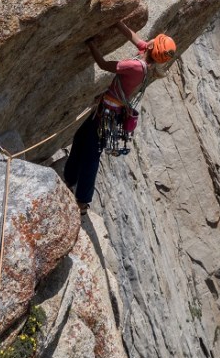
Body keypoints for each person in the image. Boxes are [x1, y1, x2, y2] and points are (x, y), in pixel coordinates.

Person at [64, 20, 176, 215]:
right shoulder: (148, 62)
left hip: (105, 114)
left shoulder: (136, 66)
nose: (148, 40)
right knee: (80, 139)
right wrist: (116, 21)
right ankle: (70, 179)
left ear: (152, 46)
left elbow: (104, 65)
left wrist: (90, 43)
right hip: (108, 112)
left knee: (91, 155)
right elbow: (133, 36)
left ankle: (82, 201)